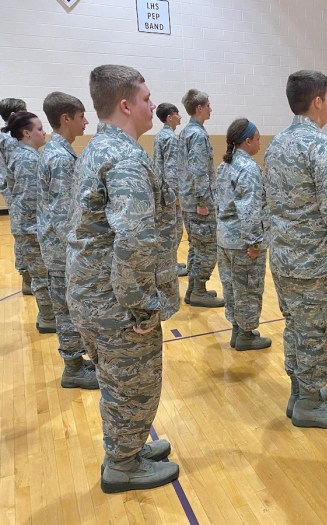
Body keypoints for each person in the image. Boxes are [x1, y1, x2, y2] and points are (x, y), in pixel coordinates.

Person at [66, 64, 180, 493]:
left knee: (119, 381)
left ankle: (128, 448)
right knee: (134, 385)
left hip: (93, 294)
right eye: (148, 98)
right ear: (126, 105)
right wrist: (140, 304)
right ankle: (123, 465)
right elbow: (132, 239)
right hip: (117, 302)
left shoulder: (99, 148)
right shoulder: (126, 158)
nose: (154, 105)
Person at [264, 70, 327, 429]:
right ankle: (308, 402)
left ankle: (299, 391)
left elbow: (269, 201)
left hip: (284, 257)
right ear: (317, 102)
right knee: (317, 330)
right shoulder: (321, 145)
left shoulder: (276, 144)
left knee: (295, 326)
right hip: (315, 262)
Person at [37, 91, 98, 389]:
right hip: (62, 251)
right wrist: (79, 251)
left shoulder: (55, 151)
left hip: (56, 247)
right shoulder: (60, 158)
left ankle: (75, 360)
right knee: (67, 309)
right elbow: (64, 215)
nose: (86, 121)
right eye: (81, 116)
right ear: (66, 118)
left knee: (67, 307)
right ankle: (73, 367)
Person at [216, 118, 272, 351]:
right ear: (247, 141)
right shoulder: (248, 168)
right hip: (243, 241)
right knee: (248, 288)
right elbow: (249, 209)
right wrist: (254, 242)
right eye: (257, 139)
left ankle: (237, 330)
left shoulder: (225, 165)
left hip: (225, 239)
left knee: (231, 287)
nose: (260, 143)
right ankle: (246, 335)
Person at [4, 111, 56, 333]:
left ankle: (48, 314)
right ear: (26, 133)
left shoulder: (25, 154)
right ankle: (48, 319)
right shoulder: (27, 159)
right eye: (39, 129)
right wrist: (35, 231)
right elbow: (28, 200)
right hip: (30, 228)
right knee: (43, 276)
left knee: (42, 275)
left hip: (29, 227)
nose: (44, 132)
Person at [179, 88, 224, 308]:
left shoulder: (188, 131)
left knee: (197, 247)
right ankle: (198, 290)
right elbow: (198, 171)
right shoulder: (196, 134)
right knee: (207, 248)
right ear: (199, 108)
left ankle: (193, 290)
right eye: (208, 105)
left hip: (190, 201)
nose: (211, 108)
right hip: (199, 204)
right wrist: (203, 202)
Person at [0, 97, 32, 295]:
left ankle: (27, 277)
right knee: (25, 235)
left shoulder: (4, 136)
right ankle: (28, 277)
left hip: (13, 191)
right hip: (20, 192)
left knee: (21, 234)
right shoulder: (12, 140)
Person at [153, 102, 188, 276]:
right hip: (170, 193)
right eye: (177, 114)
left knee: (167, 231)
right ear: (169, 117)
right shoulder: (171, 139)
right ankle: (169, 265)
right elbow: (172, 170)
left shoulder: (159, 136)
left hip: (161, 190)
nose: (180, 117)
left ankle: (171, 262)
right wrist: (176, 195)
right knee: (174, 231)